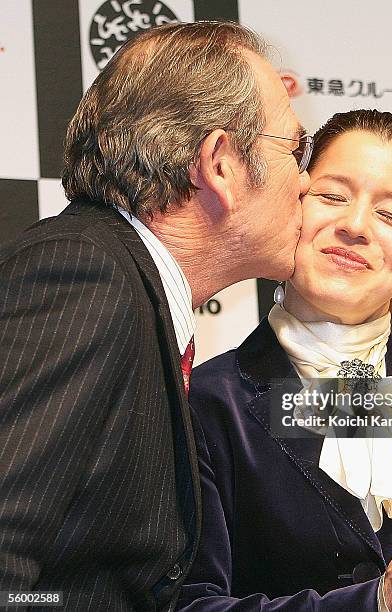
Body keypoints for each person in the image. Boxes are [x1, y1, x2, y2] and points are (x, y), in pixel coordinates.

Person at [0, 21, 311, 610]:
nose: (307, 179)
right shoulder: (86, 276)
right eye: (295, 150)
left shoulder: (130, 293)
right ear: (220, 163)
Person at [178, 110, 392, 611]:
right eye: (333, 196)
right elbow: (189, 604)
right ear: (290, 207)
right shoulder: (208, 403)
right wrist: (379, 603)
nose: (356, 226)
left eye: (390, 214)